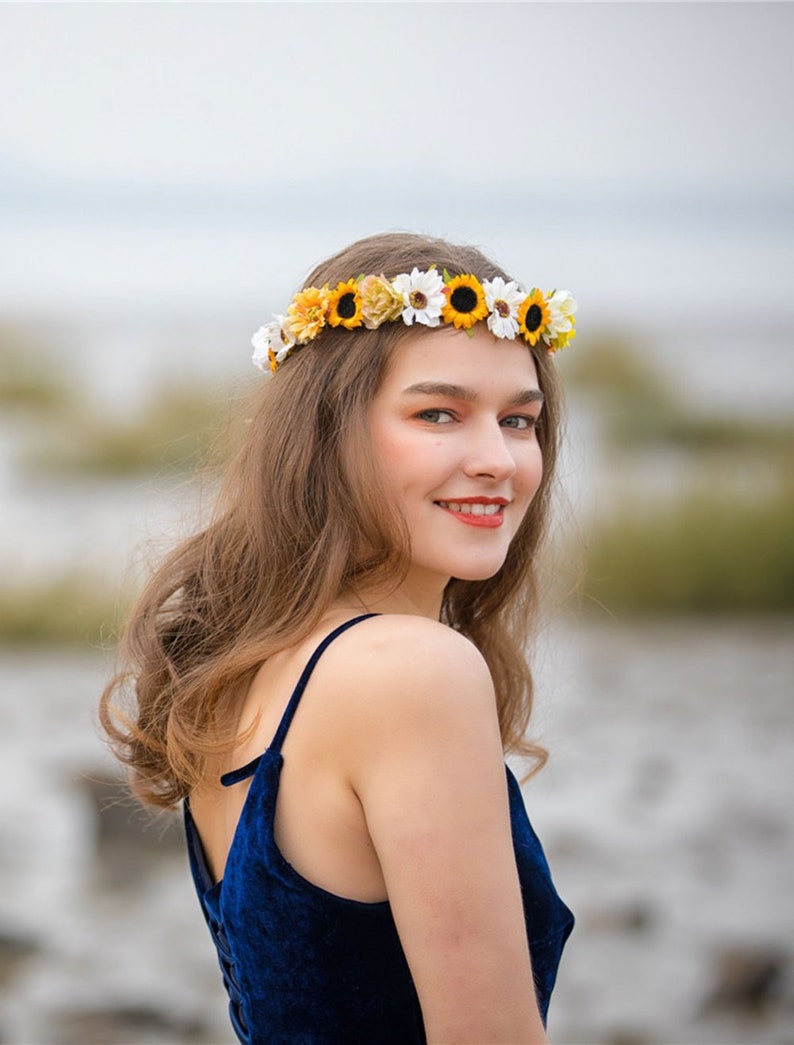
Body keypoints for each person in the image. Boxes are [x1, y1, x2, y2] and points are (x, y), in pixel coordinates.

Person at [99, 232, 576, 1044]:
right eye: (438, 413)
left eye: (520, 420)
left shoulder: (252, 663)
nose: (498, 459)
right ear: (328, 433)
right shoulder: (411, 671)